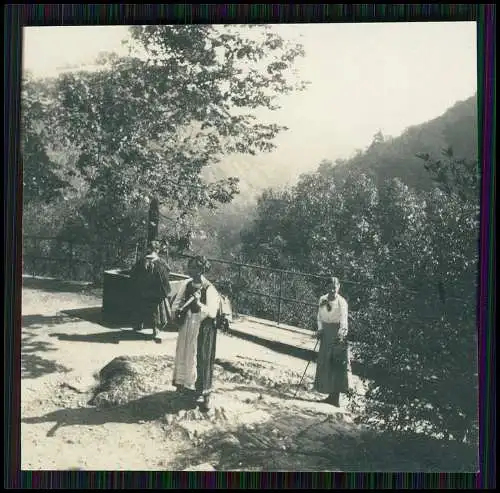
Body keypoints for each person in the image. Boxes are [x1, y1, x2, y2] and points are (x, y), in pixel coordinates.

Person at [171, 255, 220, 411]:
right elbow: (177, 301)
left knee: (202, 357)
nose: (190, 270)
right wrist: (177, 312)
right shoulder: (187, 284)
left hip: (203, 327)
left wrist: (199, 305)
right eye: (190, 267)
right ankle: (185, 386)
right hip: (187, 324)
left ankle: (205, 394)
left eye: (194, 268)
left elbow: (212, 312)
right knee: (184, 353)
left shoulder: (209, 288)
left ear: (201, 269)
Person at [313, 276, 349, 407]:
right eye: (330, 286)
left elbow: (344, 320)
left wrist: (341, 335)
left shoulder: (342, 302)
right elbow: (319, 316)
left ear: (339, 287)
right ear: (327, 287)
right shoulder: (322, 299)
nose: (333, 289)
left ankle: (335, 398)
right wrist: (320, 330)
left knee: (336, 365)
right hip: (326, 334)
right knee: (325, 363)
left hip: (337, 334)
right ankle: (329, 395)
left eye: (335, 286)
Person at [130, 240, 172, 343]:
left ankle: (138, 325)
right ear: (157, 250)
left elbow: (133, 274)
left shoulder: (140, 262)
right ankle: (155, 329)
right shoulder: (161, 263)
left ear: (147, 249)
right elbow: (165, 278)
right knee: (156, 310)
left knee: (140, 306)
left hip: (142, 292)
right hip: (155, 293)